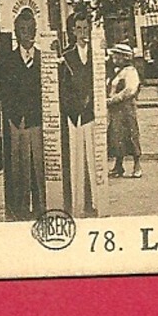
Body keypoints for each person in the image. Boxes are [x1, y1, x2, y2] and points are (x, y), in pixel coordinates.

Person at [0, 7, 47, 221]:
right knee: (18, 166)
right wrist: (9, 108)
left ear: (36, 30)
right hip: (15, 121)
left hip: (37, 120)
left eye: (30, 29)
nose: (27, 33)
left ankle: (41, 207)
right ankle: (19, 209)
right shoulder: (7, 60)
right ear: (16, 32)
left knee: (39, 166)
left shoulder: (43, 59)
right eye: (22, 29)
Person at [60, 11, 99, 215]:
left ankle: (96, 202)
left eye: (86, 28)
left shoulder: (98, 54)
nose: (83, 33)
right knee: (76, 159)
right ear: (72, 31)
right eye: (79, 29)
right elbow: (63, 88)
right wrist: (73, 106)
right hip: (74, 115)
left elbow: (101, 82)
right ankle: (78, 204)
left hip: (92, 113)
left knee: (95, 158)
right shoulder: (66, 56)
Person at [106, 44, 143, 179]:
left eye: (117, 55)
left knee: (131, 134)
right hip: (115, 110)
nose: (114, 57)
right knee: (116, 137)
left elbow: (130, 90)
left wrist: (113, 99)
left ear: (124, 57)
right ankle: (118, 165)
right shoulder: (115, 72)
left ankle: (137, 165)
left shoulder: (130, 71)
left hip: (126, 108)